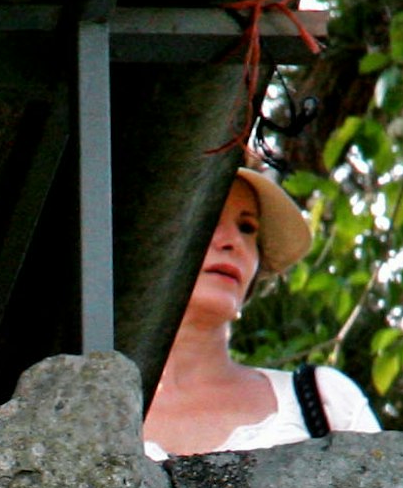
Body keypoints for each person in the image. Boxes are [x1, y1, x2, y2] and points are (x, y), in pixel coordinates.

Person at [141, 165, 377, 456]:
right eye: (208, 219)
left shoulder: (323, 402)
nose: (233, 242)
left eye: (247, 228)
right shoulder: (88, 410)